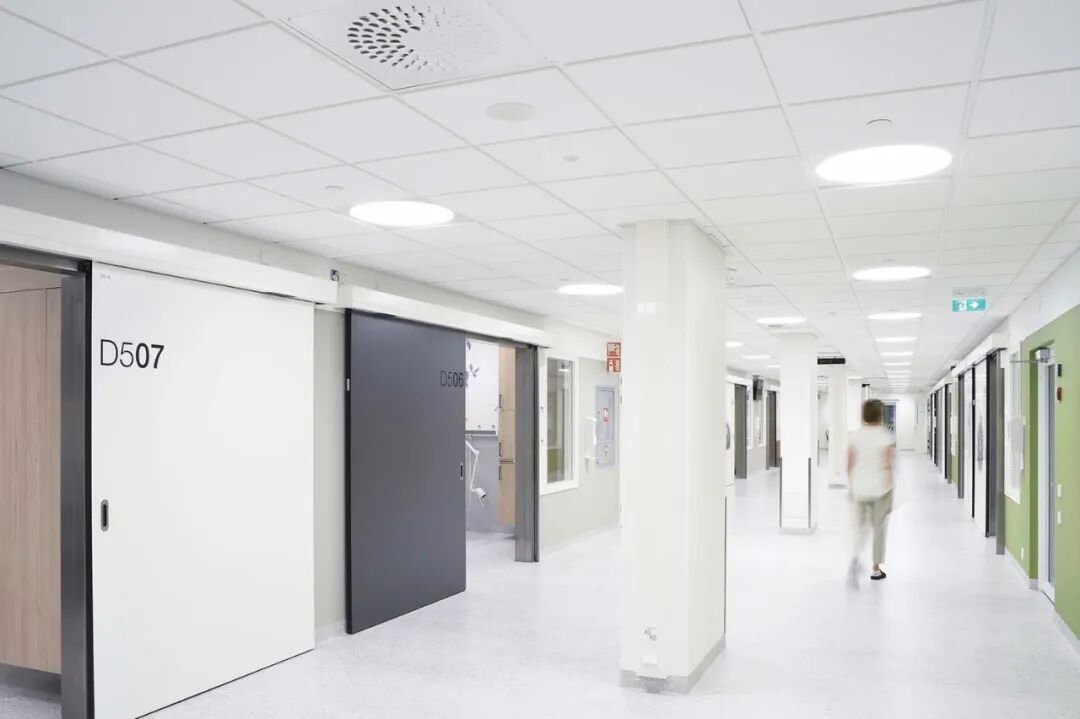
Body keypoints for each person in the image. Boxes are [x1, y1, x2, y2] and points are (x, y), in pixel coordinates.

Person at [847, 399, 895, 587]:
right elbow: (888, 465)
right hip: (880, 489)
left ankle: (855, 558)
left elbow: (849, 464)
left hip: (860, 488)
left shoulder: (855, 436)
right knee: (879, 528)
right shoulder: (885, 436)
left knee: (860, 527)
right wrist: (891, 488)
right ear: (879, 415)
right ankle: (875, 568)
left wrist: (853, 485)